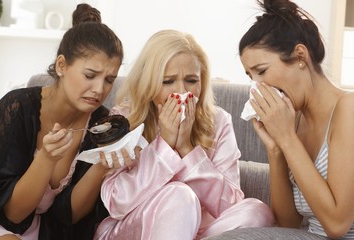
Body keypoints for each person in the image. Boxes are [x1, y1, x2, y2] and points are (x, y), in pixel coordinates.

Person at [94, 29, 274, 240]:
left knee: (257, 211)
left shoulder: (219, 121)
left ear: (202, 81)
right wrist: (166, 146)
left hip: (201, 232)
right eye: (168, 81)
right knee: (178, 195)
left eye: (191, 80)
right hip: (133, 230)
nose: (181, 93)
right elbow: (117, 203)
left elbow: (231, 205)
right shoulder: (125, 119)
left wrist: (188, 149)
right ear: (149, 83)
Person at [209, 0, 354, 239]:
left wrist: (286, 139)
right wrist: (276, 149)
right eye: (251, 76)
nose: (258, 86)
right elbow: (287, 223)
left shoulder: (348, 109)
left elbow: (337, 225)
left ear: (300, 56)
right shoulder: (295, 121)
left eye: (262, 71)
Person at [0, 3, 124, 239]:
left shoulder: (101, 123)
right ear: (62, 65)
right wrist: (46, 158)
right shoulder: (17, 109)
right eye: (90, 75)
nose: (99, 89)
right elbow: (12, 214)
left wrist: (102, 166)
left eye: (109, 80)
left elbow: (69, 217)